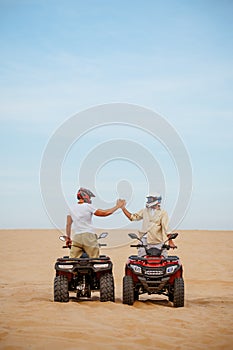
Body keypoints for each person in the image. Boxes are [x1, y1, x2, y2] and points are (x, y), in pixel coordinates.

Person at [65, 187, 124, 258]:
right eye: (89, 197)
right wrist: (117, 206)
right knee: (94, 258)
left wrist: (68, 238)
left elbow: (68, 225)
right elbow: (105, 213)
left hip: (77, 237)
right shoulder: (88, 206)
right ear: (85, 196)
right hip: (89, 236)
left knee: (73, 259)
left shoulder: (71, 208)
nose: (90, 199)